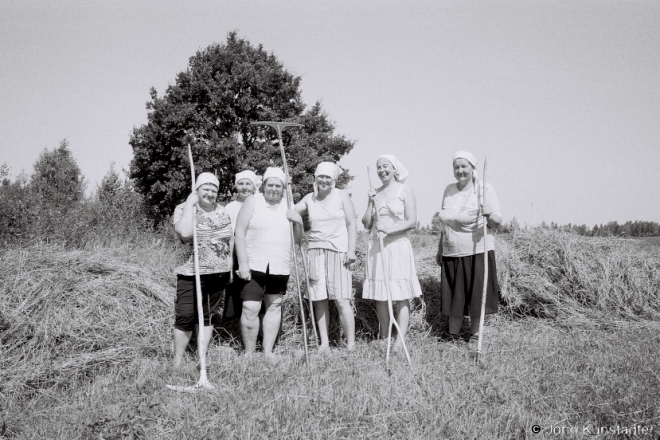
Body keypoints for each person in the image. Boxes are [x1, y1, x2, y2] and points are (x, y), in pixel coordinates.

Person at [288, 162, 358, 351]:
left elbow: (352, 224)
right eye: (321, 177)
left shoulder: (342, 196)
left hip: (339, 251)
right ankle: (324, 343)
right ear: (316, 178)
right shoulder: (310, 199)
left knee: (342, 299)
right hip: (315, 251)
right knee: (319, 298)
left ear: (333, 180)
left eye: (328, 177)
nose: (324, 180)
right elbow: (290, 210)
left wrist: (351, 250)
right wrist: (287, 187)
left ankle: (350, 344)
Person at [234, 167, 302, 356]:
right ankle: (248, 352)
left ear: (283, 188)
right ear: (263, 186)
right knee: (250, 307)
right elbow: (239, 232)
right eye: (270, 185)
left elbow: (297, 239)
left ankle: (268, 352)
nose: (273, 189)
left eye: (278, 186)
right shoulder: (252, 201)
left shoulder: (289, 204)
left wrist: (299, 222)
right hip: (254, 263)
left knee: (274, 306)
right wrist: (243, 263)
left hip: (279, 265)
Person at [435, 151, 502, 343]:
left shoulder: (484, 189)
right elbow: (444, 223)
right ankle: (452, 334)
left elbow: (496, 222)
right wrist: (440, 249)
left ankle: (475, 334)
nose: (460, 170)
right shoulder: (449, 190)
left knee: (475, 293)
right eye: (456, 167)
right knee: (454, 295)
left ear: (473, 168)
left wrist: (489, 214)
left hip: (477, 250)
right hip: (451, 250)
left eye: (464, 166)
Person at [171, 172, 232, 368]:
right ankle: (177, 362)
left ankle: (202, 360)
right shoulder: (183, 208)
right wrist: (190, 203)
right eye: (206, 189)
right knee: (186, 316)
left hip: (218, 273)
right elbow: (185, 233)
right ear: (196, 190)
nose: (210, 193)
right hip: (191, 272)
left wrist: (229, 265)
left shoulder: (223, 211)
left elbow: (228, 240)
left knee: (207, 317)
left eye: (214, 190)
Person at [362, 155, 422, 349]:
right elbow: (366, 223)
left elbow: (412, 222)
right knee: (381, 293)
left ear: (394, 168)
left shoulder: (405, 190)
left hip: (397, 246)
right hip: (378, 248)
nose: (381, 170)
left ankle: (400, 339)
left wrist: (389, 230)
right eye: (378, 167)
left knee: (400, 293)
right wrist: (370, 202)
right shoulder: (375, 193)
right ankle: (384, 335)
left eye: (385, 166)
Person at [223, 170, 261, 320]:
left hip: (255, 251)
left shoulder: (259, 204)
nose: (244, 187)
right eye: (241, 183)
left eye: (248, 183)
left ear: (254, 186)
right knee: (233, 287)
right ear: (235, 186)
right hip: (234, 251)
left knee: (253, 289)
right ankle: (232, 323)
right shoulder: (229, 208)